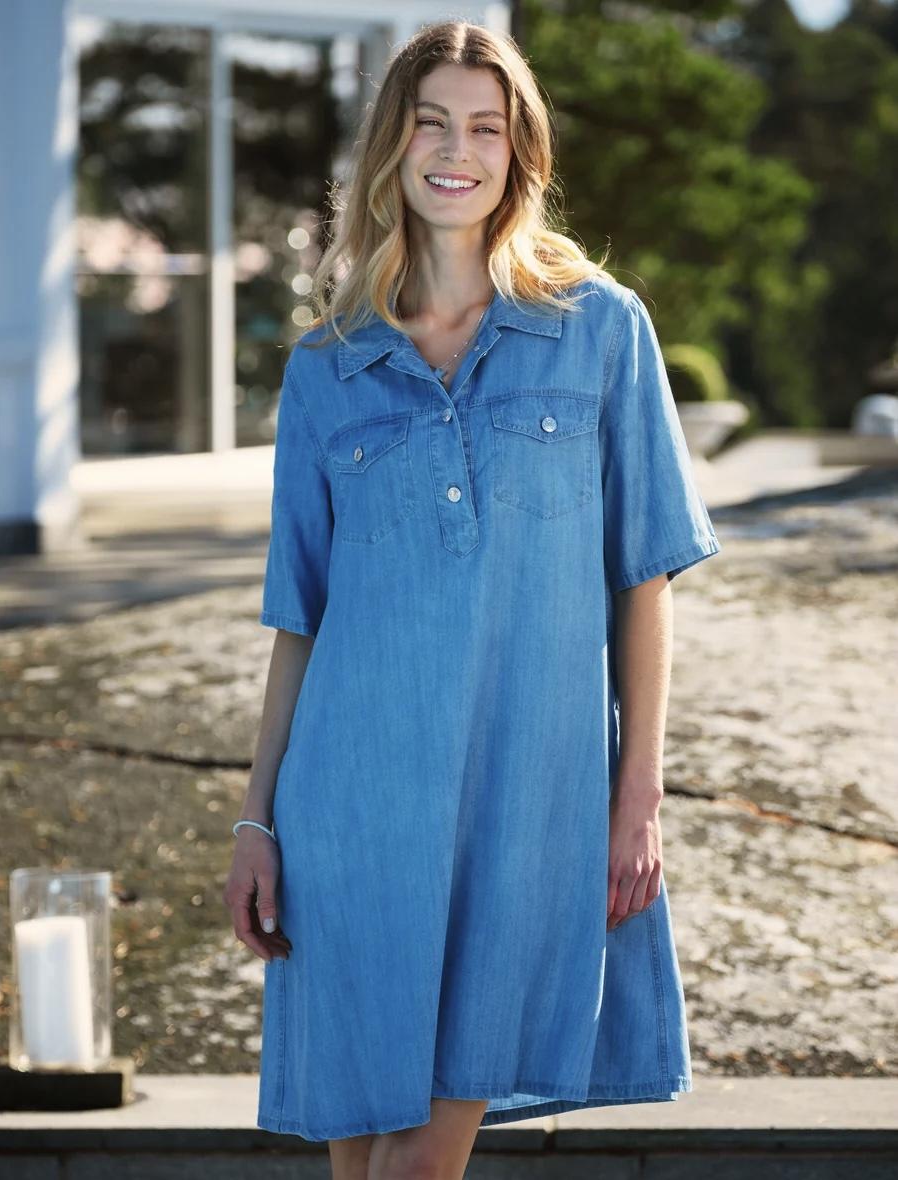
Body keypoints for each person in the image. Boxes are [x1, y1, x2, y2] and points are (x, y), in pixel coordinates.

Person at [223, 17, 721, 1180]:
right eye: (432, 123)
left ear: (519, 153)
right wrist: (256, 819)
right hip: (352, 812)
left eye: (486, 128)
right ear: (392, 147)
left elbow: (643, 578)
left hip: (524, 809)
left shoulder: (601, 330)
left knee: (416, 1163)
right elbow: (301, 619)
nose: (458, 151)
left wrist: (637, 792)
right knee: (362, 1166)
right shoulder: (327, 366)